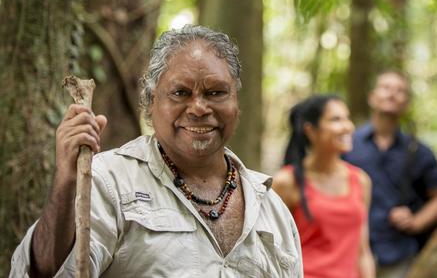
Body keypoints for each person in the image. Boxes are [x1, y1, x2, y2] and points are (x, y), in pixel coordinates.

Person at [10, 25, 302, 277]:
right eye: (180, 93)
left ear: (236, 104)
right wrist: (65, 180)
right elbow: (46, 271)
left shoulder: (271, 208)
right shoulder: (108, 182)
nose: (199, 107)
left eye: (215, 93)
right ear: (150, 103)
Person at [343, 71, 437, 278]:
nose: (392, 94)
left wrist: (416, 221)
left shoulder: (419, 151)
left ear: (407, 104)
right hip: (351, 251)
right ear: (372, 97)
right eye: (385, 88)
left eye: (400, 91)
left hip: (399, 253)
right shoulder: (348, 145)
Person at [272, 94, 375, 278]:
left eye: (347, 118)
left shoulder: (360, 180)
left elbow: (363, 251)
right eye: (336, 119)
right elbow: (272, 251)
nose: (347, 127)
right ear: (311, 130)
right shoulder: (286, 182)